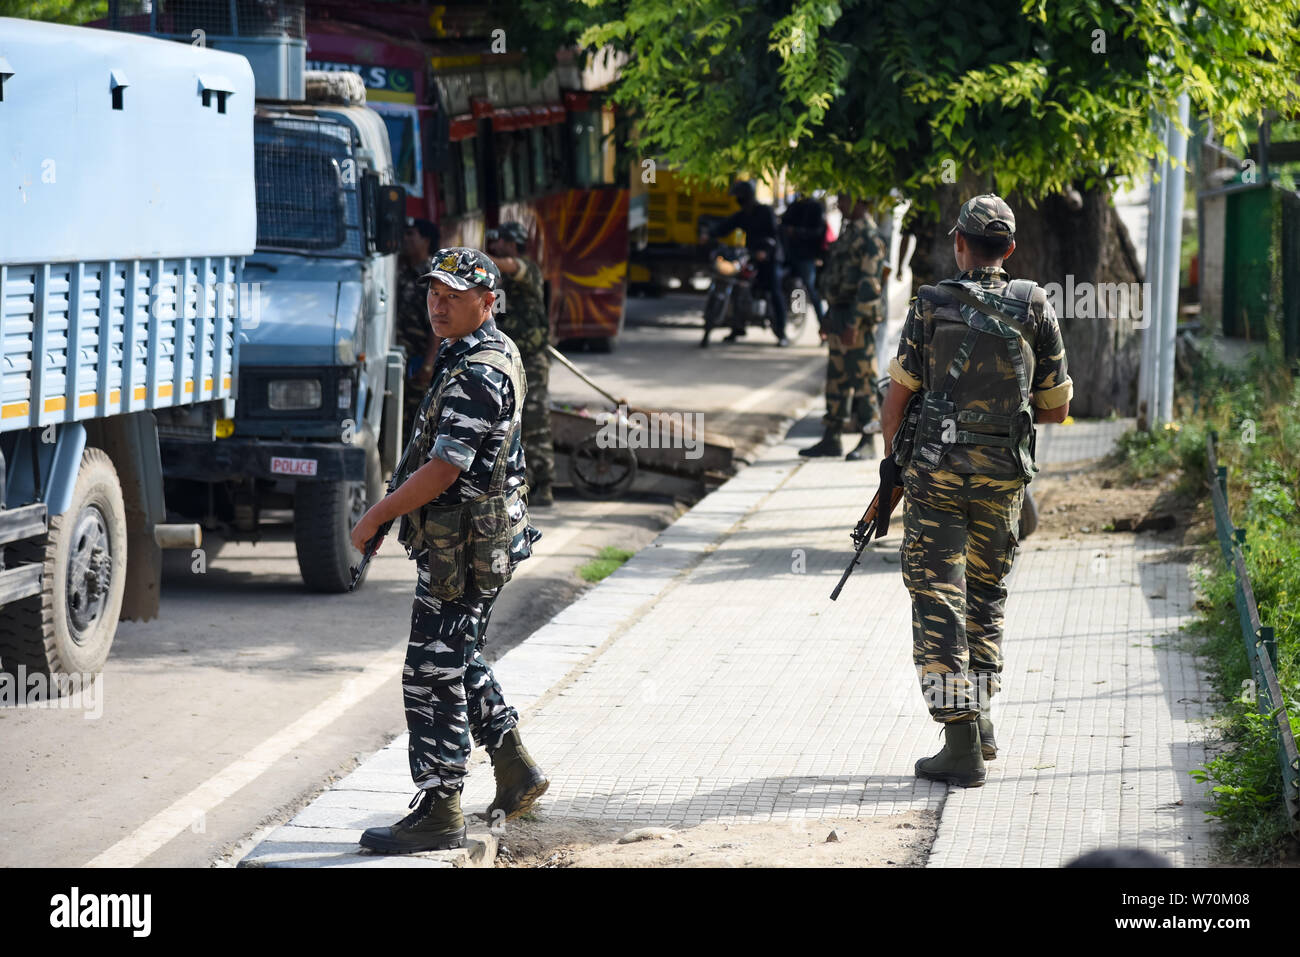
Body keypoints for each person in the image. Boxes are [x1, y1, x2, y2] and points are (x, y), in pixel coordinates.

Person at [350, 247, 549, 853]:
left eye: (454, 296)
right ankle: (515, 767)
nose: (438, 304)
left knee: (429, 671)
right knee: (456, 655)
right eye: (434, 293)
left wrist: (378, 515)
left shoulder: (480, 371)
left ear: (487, 302)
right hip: (472, 542)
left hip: (464, 549)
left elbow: (444, 468)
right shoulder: (481, 351)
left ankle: (441, 809)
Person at [880, 194, 1072, 787]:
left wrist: (894, 463)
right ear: (1009, 249)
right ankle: (981, 723)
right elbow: (1057, 408)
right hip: (1004, 477)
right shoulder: (1035, 304)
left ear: (959, 244)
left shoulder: (931, 304)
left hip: (936, 477)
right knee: (986, 595)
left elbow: (898, 398)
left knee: (939, 597)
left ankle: (959, 742)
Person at [800, 195, 889, 461]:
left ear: (861, 202)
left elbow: (869, 285)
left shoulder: (870, 238)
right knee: (836, 378)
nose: (839, 204)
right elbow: (837, 276)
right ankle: (832, 437)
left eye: (844, 199)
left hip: (856, 319)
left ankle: (868, 439)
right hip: (839, 314)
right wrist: (829, 316)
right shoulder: (849, 233)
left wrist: (853, 321)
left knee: (863, 380)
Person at [485, 221, 556, 507]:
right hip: (512, 360)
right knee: (514, 421)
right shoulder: (502, 280)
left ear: (512, 243)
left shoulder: (527, 269)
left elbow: (510, 266)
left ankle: (545, 484)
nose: (495, 245)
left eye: (500, 241)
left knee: (537, 422)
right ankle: (522, 482)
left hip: (533, 360)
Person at [704, 180, 789, 346]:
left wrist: (765, 251)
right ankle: (737, 327)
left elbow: (774, 235)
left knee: (774, 290)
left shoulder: (765, 212)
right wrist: (709, 235)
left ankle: (782, 332)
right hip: (751, 256)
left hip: (770, 257)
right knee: (739, 285)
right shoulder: (742, 215)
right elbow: (725, 226)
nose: (739, 201)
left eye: (740, 198)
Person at [395, 218, 441, 442]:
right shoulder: (402, 270)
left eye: (411, 234)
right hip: (399, 361)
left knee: (416, 425)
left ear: (426, 240)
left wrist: (428, 364)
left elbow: (437, 325)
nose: (405, 239)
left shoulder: (431, 277)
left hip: (418, 361)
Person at [780, 191, 828, 330]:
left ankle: (823, 327)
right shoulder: (794, 206)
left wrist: (797, 232)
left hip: (807, 257)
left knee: (812, 291)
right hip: (790, 255)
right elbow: (783, 225)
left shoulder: (816, 208)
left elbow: (819, 232)